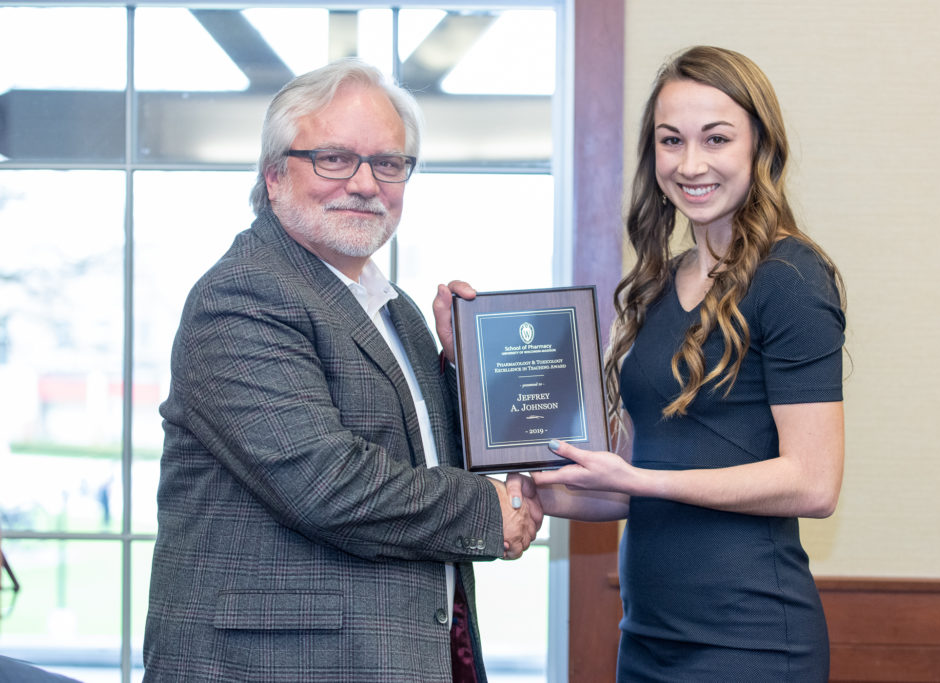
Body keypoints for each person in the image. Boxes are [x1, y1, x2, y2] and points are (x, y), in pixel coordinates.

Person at [142, 59, 542, 683]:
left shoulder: (395, 310)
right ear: (274, 176)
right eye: (334, 159)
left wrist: (471, 373)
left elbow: (424, 460)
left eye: (388, 163)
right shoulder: (245, 295)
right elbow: (329, 484)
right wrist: (492, 510)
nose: (364, 183)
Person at [532, 45, 846, 681]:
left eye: (717, 139)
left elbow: (814, 483)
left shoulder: (789, 277)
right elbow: (624, 485)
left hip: (751, 641)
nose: (691, 163)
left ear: (760, 147)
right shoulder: (654, 287)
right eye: (670, 140)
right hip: (646, 638)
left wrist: (644, 480)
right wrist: (517, 486)